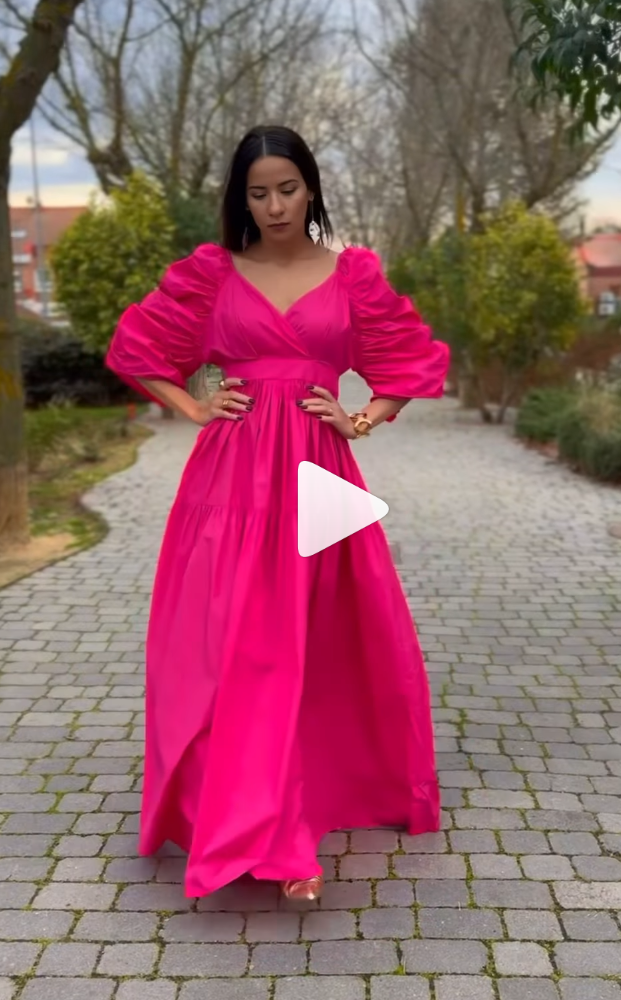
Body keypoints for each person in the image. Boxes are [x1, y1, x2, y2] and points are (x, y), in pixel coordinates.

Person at [106, 125, 450, 902]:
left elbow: (409, 361)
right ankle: (267, 831)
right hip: (230, 479)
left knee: (317, 640)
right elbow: (138, 350)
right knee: (235, 642)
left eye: (287, 189)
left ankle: (293, 809)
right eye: (258, 192)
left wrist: (359, 419)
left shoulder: (353, 275)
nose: (274, 206)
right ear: (242, 198)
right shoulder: (213, 274)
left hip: (318, 472)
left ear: (311, 188)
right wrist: (194, 405)